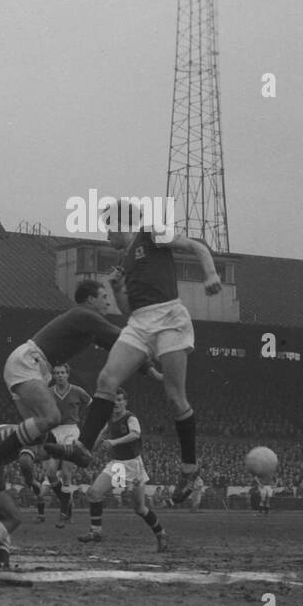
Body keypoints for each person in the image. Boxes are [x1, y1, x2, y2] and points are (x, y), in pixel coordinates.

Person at [71, 200, 221, 503]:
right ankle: (84, 446)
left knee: (175, 398)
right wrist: (116, 289)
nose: (107, 236)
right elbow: (129, 310)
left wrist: (211, 275)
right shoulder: (123, 263)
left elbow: (198, 247)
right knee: (107, 380)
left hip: (169, 318)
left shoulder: (151, 233)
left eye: (109, 228)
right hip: (140, 323)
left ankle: (189, 468)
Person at [0, 280, 158, 486]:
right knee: (51, 417)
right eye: (104, 297)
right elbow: (119, 336)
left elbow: (114, 344)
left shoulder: (87, 324)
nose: (108, 302)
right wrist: (153, 351)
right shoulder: (84, 315)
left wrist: (148, 368)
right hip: (29, 363)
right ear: (90, 299)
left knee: (35, 436)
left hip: (30, 365)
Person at [78, 388, 167, 550]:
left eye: (120, 400)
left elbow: (135, 434)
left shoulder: (130, 417)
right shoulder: (110, 418)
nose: (117, 403)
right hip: (117, 465)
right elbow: (102, 435)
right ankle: (96, 532)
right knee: (93, 492)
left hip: (133, 465)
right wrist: (88, 451)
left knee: (140, 508)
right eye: (114, 400)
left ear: (125, 402)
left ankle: (161, 534)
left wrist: (114, 442)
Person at [38, 364, 90, 527]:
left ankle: (64, 514)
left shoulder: (78, 391)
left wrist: (91, 427)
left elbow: (91, 405)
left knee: (66, 473)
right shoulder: (49, 392)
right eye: (57, 373)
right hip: (54, 431)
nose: (59, 375)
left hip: (71, 430)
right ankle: (67, 505)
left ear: (68, 374)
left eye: (62, 373)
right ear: (53, 375)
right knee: (51, 472)